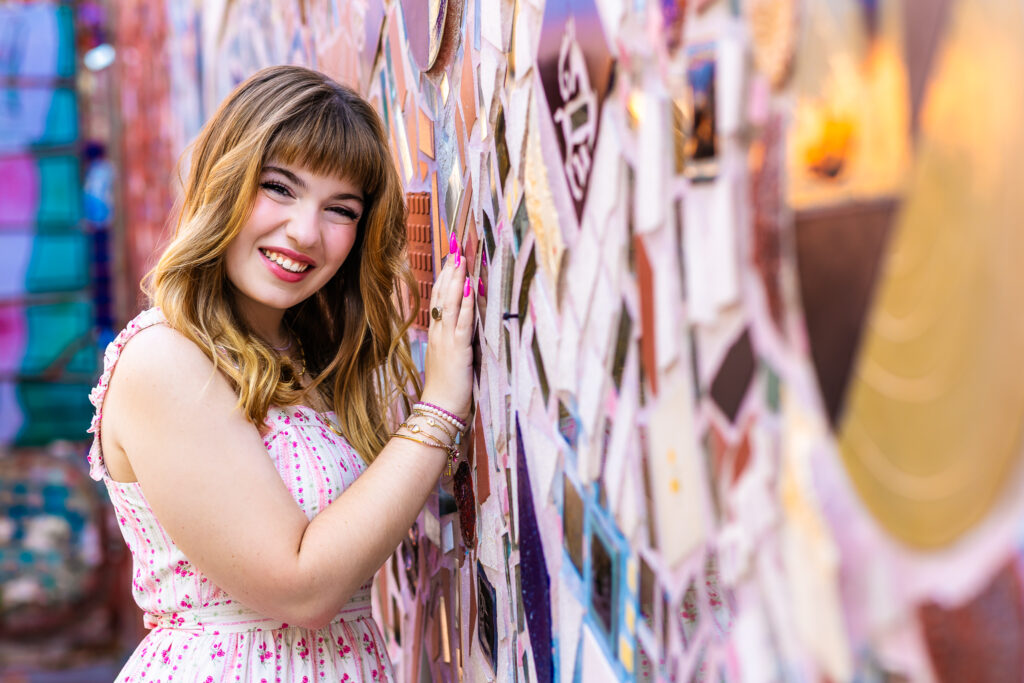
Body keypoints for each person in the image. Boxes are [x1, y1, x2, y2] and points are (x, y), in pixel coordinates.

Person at [86, 65, 474, 681]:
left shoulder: (306, 354)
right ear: (225, 179)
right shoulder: (167, 360)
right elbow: (300, 589)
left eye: (340, 209)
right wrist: (441, 405)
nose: (304, 232)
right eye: (281, 188)